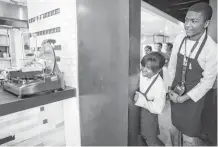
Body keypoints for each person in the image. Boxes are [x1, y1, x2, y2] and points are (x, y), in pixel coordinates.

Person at [167, 2, 217, 146]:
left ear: (206, 23)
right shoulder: (179, 39)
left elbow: (207, 82)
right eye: (187, 20)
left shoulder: (212, 49)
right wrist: (173, 89)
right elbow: (172, 65)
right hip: (176, 93)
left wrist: (184, 98)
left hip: (193, 99)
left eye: (194, 21)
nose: (188, 25)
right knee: (173, 129)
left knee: (190, 136)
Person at [134, 52, 167, 146]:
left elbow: (159, 108)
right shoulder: (141, 73)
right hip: (136, 112)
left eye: (148, 68)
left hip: (148, 115)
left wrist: (142, 102)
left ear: (158, 70)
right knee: (139, 136)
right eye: (143, 66)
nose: (143, 70)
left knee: (150, 138)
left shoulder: (159, 86)